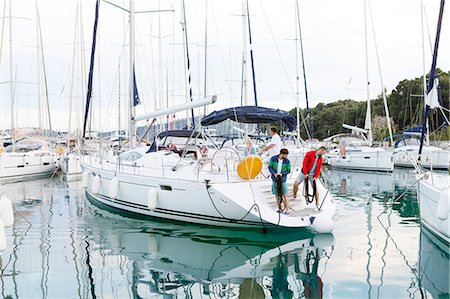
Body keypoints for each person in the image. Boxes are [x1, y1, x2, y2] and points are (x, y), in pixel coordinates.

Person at [268, 148, 291, 213]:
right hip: (275, 179)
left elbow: (288, 170)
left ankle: (287, 209)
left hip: (282, 179)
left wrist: (282, 174)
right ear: (282, 154)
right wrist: (274, 173)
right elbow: (270, 167)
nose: (286, 156)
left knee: (284, 194)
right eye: (286, 155)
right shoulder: (273, 158)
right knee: (276, 194)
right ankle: (279, 208)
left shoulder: (287, 161)